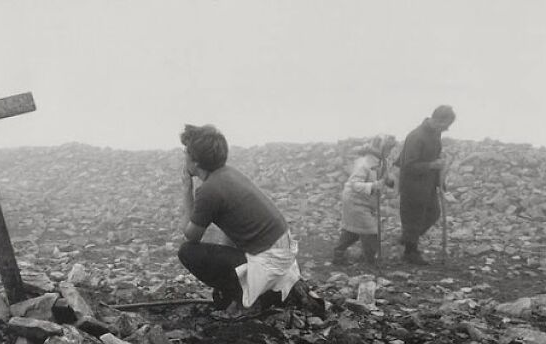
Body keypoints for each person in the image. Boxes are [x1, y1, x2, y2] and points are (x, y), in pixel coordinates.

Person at [177, 124, 323, 316]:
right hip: (281, 254)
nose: (184, 156)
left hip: (269, 261)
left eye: (186, 152)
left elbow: (190, 235)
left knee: (188, 252)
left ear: (195, 161)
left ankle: (251, 301)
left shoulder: (209, 190)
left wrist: (187, 188)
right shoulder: (228, 174)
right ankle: (259, 292)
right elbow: (232, 227)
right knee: (221, 281)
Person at [394, 105, 456, 265]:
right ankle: (410, 252)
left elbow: (433, 158)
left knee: (433, 213)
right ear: (437, 119)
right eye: (446, 125)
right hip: (413, 186)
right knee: (413, 218)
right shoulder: (416, 136)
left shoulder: (435, 134)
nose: (447, 129)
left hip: (428, 185)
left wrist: (440, 182)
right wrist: (431, 165)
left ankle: (407, 238)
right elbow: (407, 165)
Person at [332, 134, 396, 265]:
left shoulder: (382, 161)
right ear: (380, 148)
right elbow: (354, 184)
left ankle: (338, 254)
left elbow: (384, 176)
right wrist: (373, 186)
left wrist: (388, 181)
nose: (389, 152)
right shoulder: (364, 163)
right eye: (388, 149)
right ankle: (371, 260)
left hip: (365, 201)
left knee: (353, 230)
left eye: (391, 149)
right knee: (370, 230)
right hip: (354, 200)